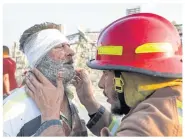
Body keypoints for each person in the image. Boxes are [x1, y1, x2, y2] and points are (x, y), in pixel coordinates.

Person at [25, 13, 182, 136]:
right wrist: (89, 102)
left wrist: (50, 118)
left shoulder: (151, 125)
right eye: (59, 46)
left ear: (130, 74)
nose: (100, 83)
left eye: (106, 73)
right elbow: (121, 131)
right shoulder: (166, 104)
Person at [3, 22, 88, 136]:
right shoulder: (11, 112)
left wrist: (90, 101)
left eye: (68, 45)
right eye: (59, 46)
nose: (71, 52)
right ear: (39, 58)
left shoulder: (70, 99)